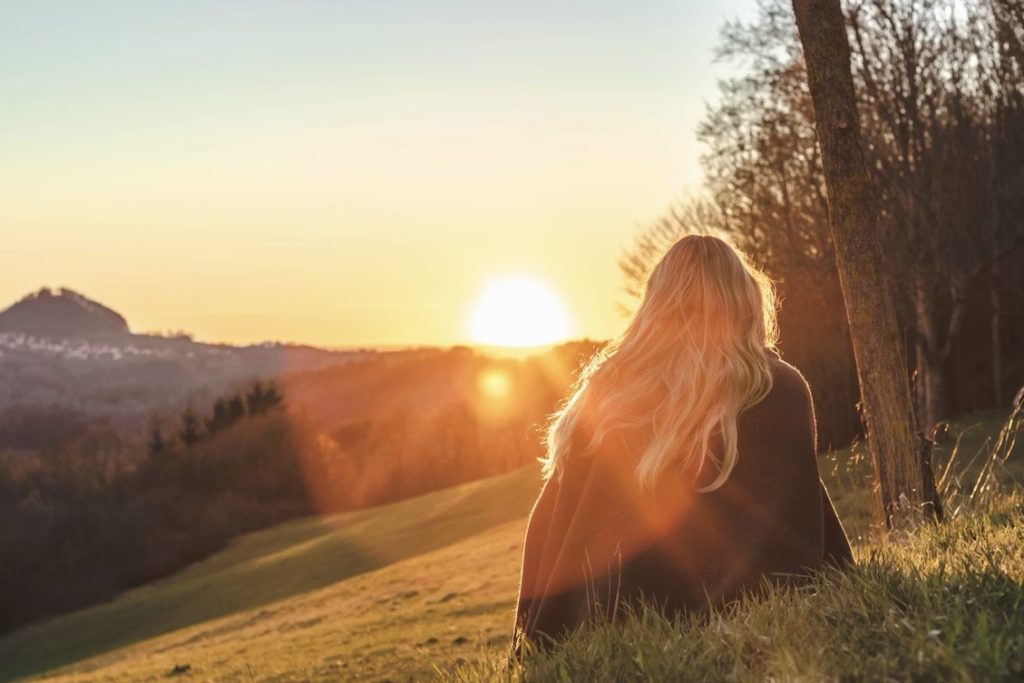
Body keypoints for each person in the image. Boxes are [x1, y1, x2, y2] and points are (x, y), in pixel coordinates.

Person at [512, 235, 853, 652]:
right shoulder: (773, 386)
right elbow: (792, 525)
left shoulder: (605, 392)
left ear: (655, 304)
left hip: (593, 625)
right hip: (708, 621)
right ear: (744, 300)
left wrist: (533, 632)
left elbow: (546, 524)